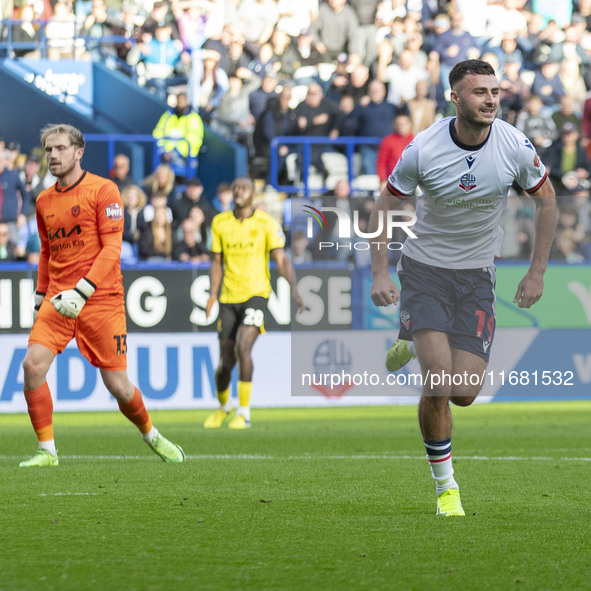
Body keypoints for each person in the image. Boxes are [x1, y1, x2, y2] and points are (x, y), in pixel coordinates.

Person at [369, 60, 557, 516]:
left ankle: (409, 341)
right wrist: (379, 272)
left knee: (464, 392)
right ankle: (446, 488)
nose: (491, 99)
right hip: (425, 270)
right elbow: (382, 208)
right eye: (479, 93)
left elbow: (547, 202)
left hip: (477, 276)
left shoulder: (514, 144)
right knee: (438, 380)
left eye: (495, 91)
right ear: (455, 98)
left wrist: (537, 272)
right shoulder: (423, 148)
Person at [19, 124, 184, 468]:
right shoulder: (44, 200)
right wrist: (39, 295)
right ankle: (47, 451)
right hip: (58, 298)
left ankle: (150, 433)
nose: (53, 155)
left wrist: (84, 290)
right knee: (32, 366)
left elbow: (112, 249)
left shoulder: (104, 190)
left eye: (61, 148)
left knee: (118, 386)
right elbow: (47, 252)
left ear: (79, 152)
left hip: (101, 298)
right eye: (49, 150)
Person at [204, 177, 303, 429]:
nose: (238, 192)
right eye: (235, 188)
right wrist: (212, 294)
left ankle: (244, 412)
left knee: (243, 347)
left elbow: (281, 260)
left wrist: (295, 288)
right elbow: (216, 262)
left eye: (244, 188)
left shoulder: (267, 223)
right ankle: (223, 407)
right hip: (228, 297)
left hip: (256, 295)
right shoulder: (220, 222)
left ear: (253, 194)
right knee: (225, 363)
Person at [152, 91, 205, 181]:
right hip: (165, 157)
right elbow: (158, 133)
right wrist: (164, 151)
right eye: (178, 100)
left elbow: (194, 139)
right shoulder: (167, 116)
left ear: (187, 102)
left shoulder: (193, 118)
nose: (180, 103)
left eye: (182, 100)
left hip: (185, 158)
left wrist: (175, 152)